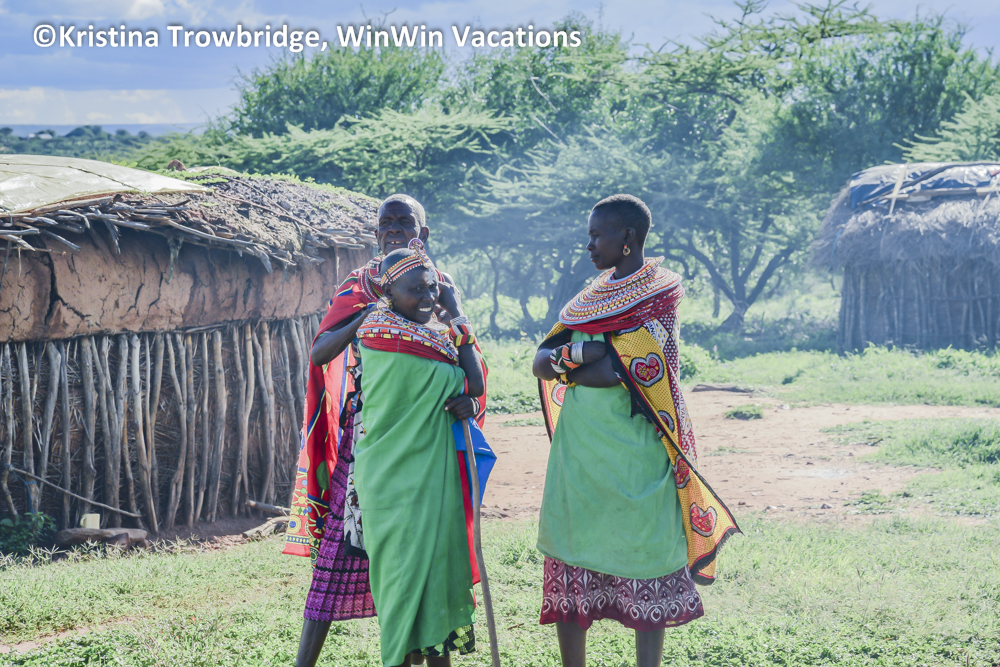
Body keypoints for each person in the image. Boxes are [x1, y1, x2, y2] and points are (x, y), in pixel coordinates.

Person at [532, 194, 740, 667]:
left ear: (627, 237)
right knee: (573, 554)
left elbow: (623, 371)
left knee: (648, 553)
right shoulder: (588, 299)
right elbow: (541, 363)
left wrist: (573, 366)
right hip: (579, 454)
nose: (589, 245)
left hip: (638, 452)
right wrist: (577, 356)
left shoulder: (658, 295)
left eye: (596, 235)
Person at [287, 195, 487, 667]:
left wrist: (469, 400)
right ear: (375, 232)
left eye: (404, 222)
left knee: (425, 550)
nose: (394, 228)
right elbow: (320, 352)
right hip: (370, 434)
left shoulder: (438, 286)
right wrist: (367, 317)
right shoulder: (359, 285)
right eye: (386, 222)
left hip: (429, 428)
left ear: (423, 233)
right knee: (336, 555)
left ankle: (423, 646)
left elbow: (466, 355)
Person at [354, 240, 485, 667]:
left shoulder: (427, 337)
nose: (428, 298)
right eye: (416, 290)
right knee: (402, 584)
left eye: (433, 288)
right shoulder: (381, 338)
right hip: (393, 482)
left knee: (433, 577)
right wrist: (458, 316)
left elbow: (470, 388)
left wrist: (466, 399)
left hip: (428, 477)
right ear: (389, 294)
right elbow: (472, 381)